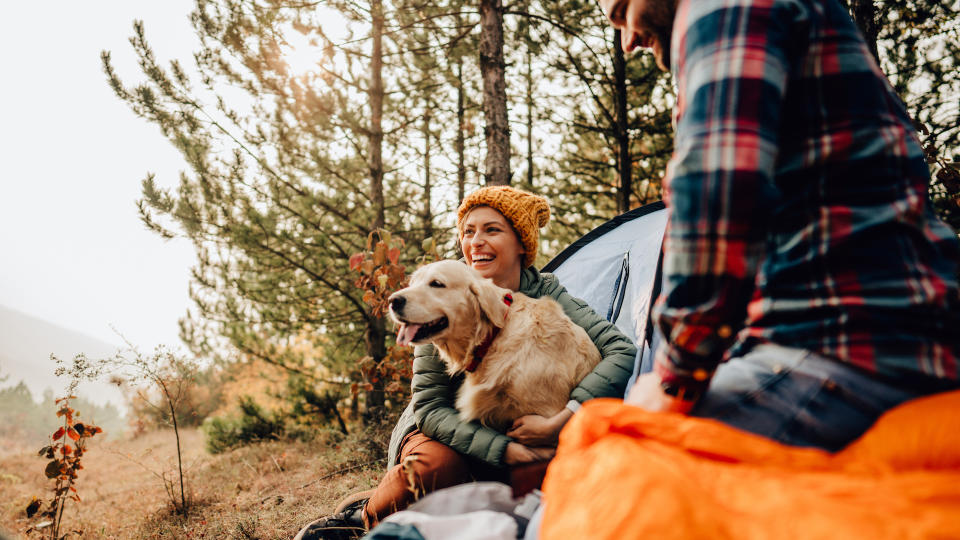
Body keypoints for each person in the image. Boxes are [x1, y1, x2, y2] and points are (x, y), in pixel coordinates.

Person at [599, 0, 960, 450]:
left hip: (839, 346)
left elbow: (720, 185)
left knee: (603, 468)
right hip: (888, 336)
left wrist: (675, 378)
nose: (628, 40)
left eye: (620, 9)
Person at [295, 186, 637, 539]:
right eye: (468, 232)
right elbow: (430, 406)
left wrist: (563, 419)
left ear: (520, 243)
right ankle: (361, 520)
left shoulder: (549, 294)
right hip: (446, 431)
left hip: (523, 431)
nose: (476, 241)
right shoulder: (439, 291)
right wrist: (504, 451)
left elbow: (623, 351)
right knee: (437, 467)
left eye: (492, 230)